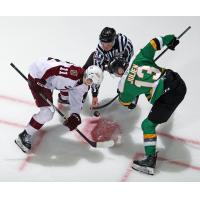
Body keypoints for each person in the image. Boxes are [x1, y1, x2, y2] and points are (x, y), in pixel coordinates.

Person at [116, 34, 187, 175]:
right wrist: (170, 40)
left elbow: (126, 103)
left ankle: (150, 160)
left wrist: (122, 93)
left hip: (168, 95)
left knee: (147, 125)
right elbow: (155, 42)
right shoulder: (138, 58)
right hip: (178, 82)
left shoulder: (124, 87)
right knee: (153, 96)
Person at [15, 57, 103, 153]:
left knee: (71, 88)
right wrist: (42, 79)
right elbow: (54, 68)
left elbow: (77, 98)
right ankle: (24, 135)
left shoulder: (84, 84)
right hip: (39, 75)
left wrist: (75, 114)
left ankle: (63, 98)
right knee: (47, 113)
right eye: (90, 80)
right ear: (87, 75)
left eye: (93, 83)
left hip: (51, 80)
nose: (90, 83)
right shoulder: (73, 73)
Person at [80, 27, 134, 108]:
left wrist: (124, 79)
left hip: (122, 61)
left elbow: (130, 63)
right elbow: (96, 74)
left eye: (109, 44)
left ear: (114, 40)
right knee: (89, 69)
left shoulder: (125, 43)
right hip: (106, 61)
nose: (105, 47)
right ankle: (81, 90)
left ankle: (132, 96)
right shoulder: (100, 51)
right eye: (103, 43)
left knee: (130, 76)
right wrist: (94, 95)